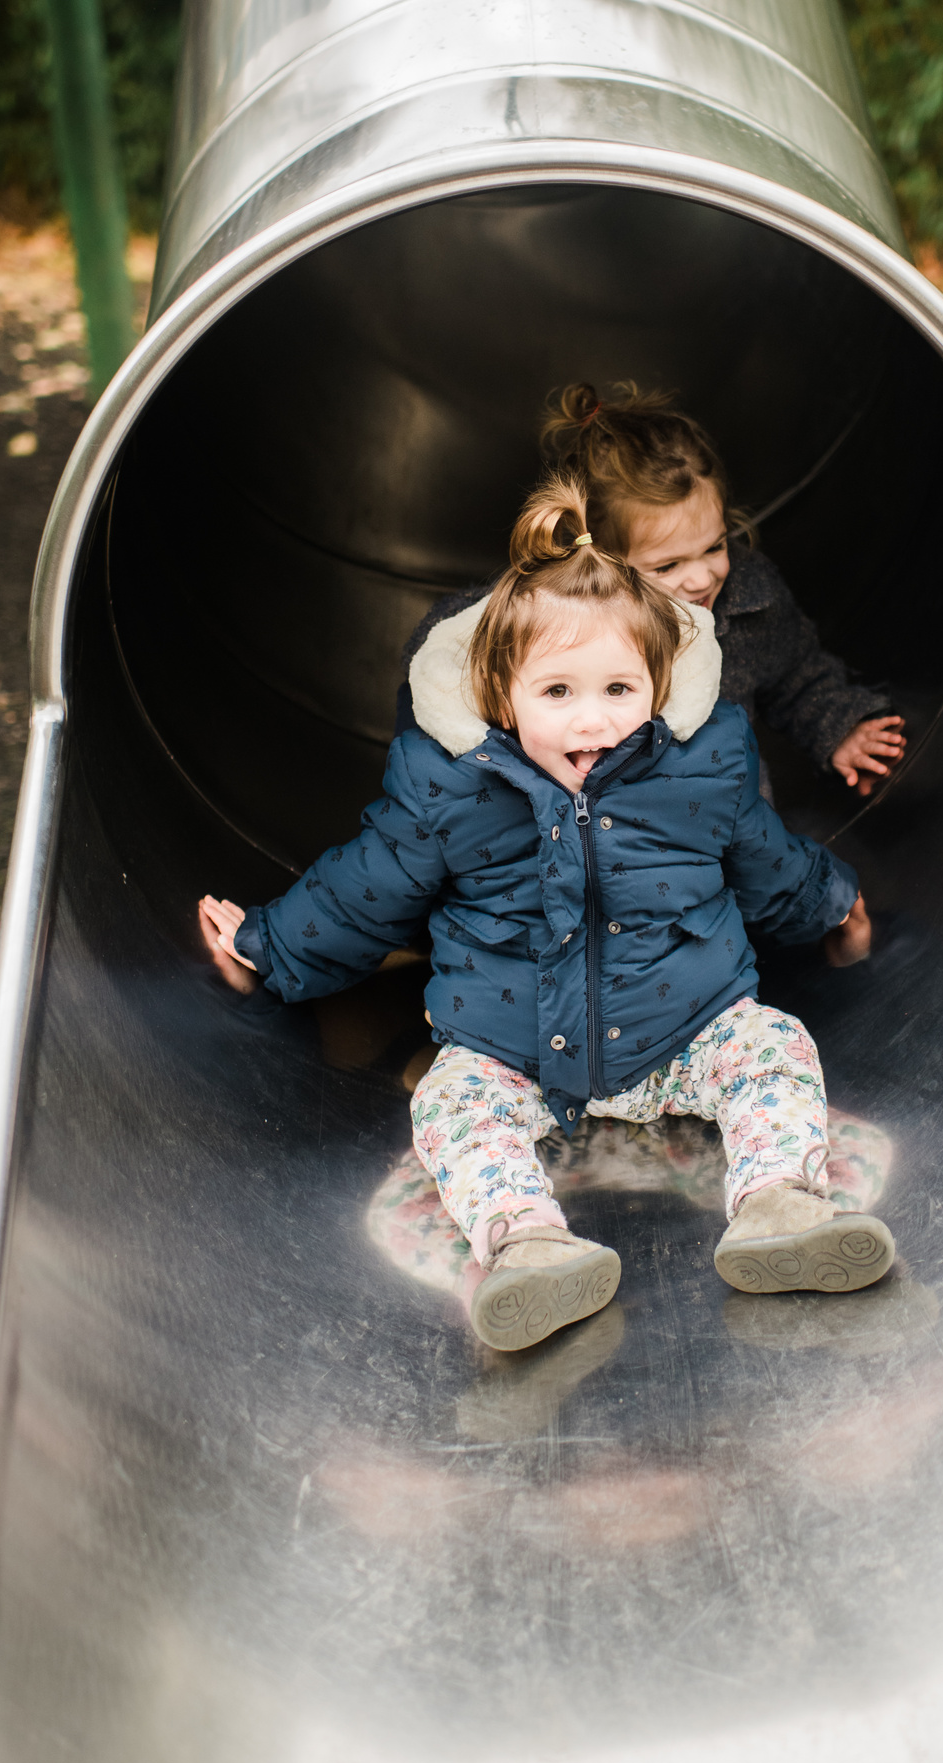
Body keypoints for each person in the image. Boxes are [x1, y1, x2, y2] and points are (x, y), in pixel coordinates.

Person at [200, 479, 895, 1352]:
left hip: (682, 1032)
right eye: (558, 692)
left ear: (659, 683)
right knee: (452, 1104)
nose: (594, 719)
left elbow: (767, 860)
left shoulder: (701, 766)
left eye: (618, 687)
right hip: (517, 1052)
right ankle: (527, 1245)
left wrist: (832, 904)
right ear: (502, 691)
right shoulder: (450, 788)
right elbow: (363, 892)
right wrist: (265, 945)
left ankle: (778, 1207)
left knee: (774, 1045)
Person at [397, 381, 905, 797]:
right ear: (599, 561)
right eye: (668, 565)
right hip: (596, 843)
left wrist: (839, 726)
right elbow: (446, 639)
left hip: (721, 835)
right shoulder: (561, 609)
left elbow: (797, 674)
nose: (702, 577)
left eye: (713, 546)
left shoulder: (749, 600)